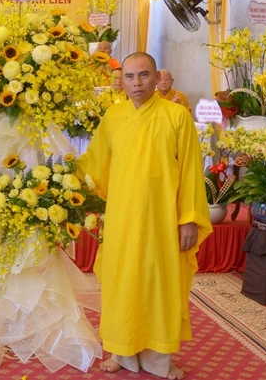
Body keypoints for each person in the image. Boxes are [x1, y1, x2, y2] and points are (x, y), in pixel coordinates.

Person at [77, 52, 211, 379]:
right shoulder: (113, 116)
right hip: (121, 218)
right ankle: (121, 351)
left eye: (144, 75)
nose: (136, 83)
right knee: (121, 283)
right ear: (120, 81)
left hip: (162, 218)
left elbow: (191, 172)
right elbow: (94, 165)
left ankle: (158, 360)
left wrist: (189, 218)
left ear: (157, 78)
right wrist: (64, 180)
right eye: (129, 76)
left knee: (159, 285)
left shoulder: (176, 116)